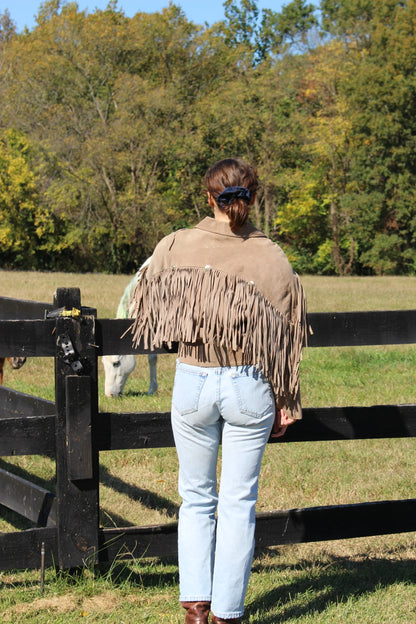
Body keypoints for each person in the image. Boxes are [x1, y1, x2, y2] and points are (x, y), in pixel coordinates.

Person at [130, 158, 307, 624]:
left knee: (196, 498)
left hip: (192, 379)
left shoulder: (175, 245)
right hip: (249, 383)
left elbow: (146, 309)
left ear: (209, 198)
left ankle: (195, 608)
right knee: (237, 502)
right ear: (252, 198)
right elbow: (286, 339)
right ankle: (228, 613)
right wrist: (287, 401)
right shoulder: (272, 256)